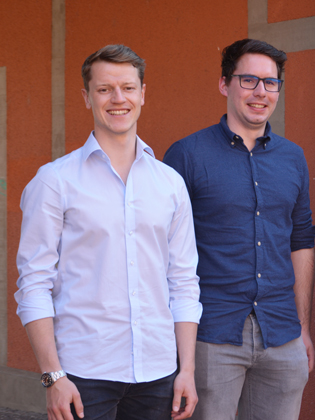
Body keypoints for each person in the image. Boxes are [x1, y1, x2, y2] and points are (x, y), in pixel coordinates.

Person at [14, 44, 201, 420]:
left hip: (158, 372)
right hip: (82, 375)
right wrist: (53, 376)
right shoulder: (55, 181)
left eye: (128, 88)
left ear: (143, 94)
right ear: (87, 97)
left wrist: (187, 370)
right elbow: (34, 284)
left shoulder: (170, 184)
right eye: (104, 89)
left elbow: (183, 282)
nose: (118, 99)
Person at [163, 38, 315, 420]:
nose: (260, 92)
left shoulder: (293, 158)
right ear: (224, 84)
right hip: (211, 334)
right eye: (248, 80)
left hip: (282, 334)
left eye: (270, 82)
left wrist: (304, 328)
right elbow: (164, 249)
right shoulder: (186, 154)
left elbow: (300, 243)